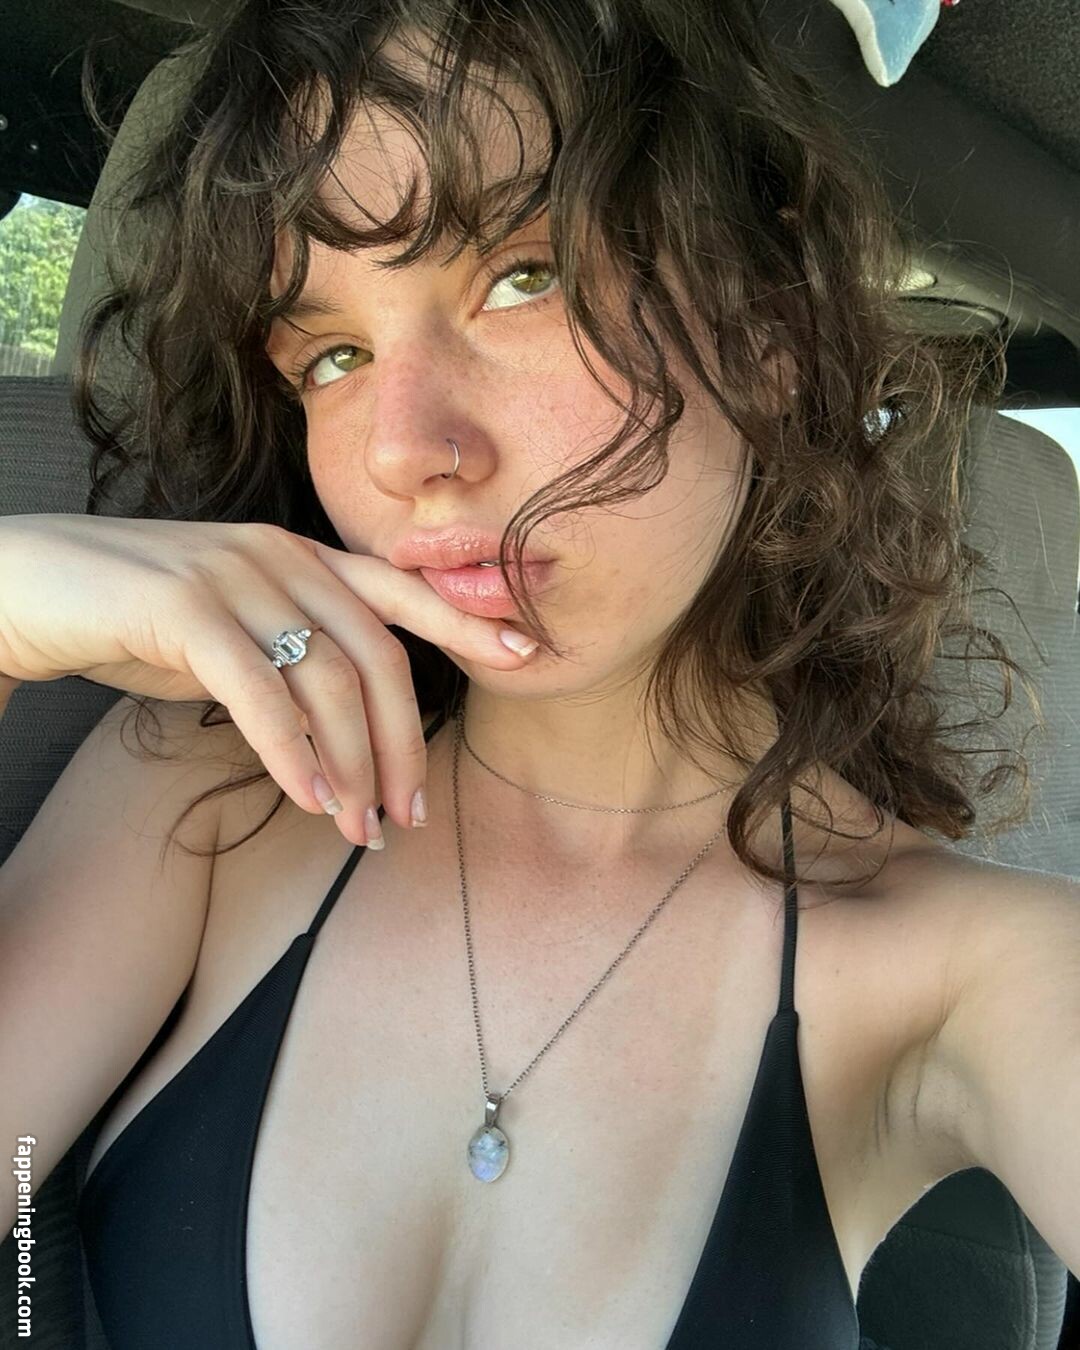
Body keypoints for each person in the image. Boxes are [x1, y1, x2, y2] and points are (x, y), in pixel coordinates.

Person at [2, 2, 1074, 1348]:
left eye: (523, 276)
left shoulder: (986, 970)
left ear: (768, 329)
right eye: (332, 356)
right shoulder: (213, 790)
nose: (404, 450)